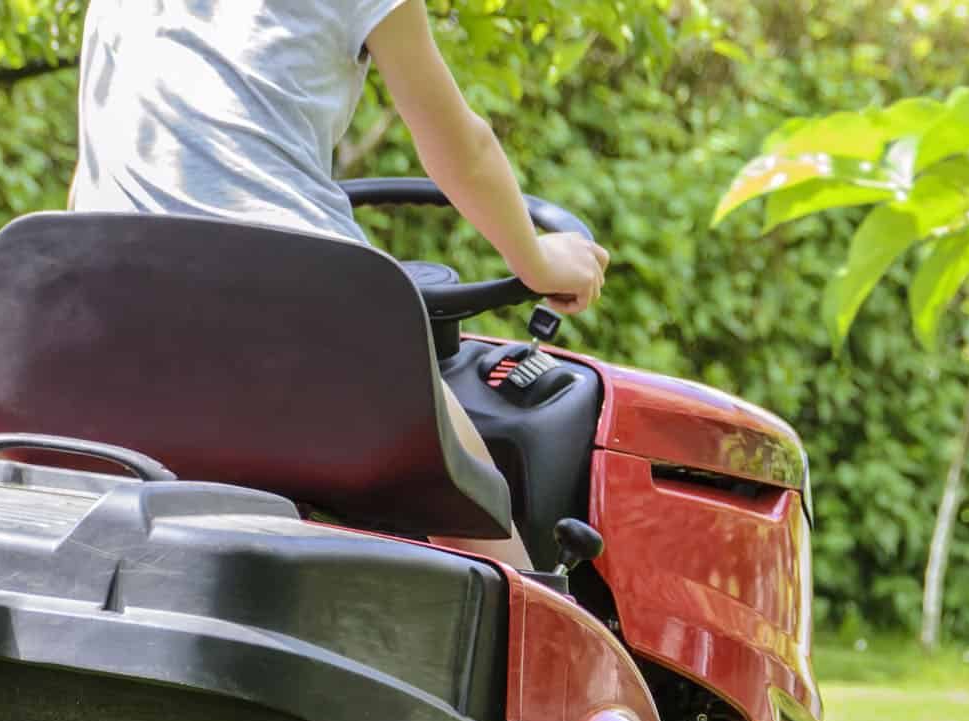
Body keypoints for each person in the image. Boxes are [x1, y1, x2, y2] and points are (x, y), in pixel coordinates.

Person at [70, 0, 611, 570]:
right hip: (292, 304)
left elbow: (90, 178)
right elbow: (461, 148)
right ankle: (532, 630)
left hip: (108, 320)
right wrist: (537, 262)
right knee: (473, 494)